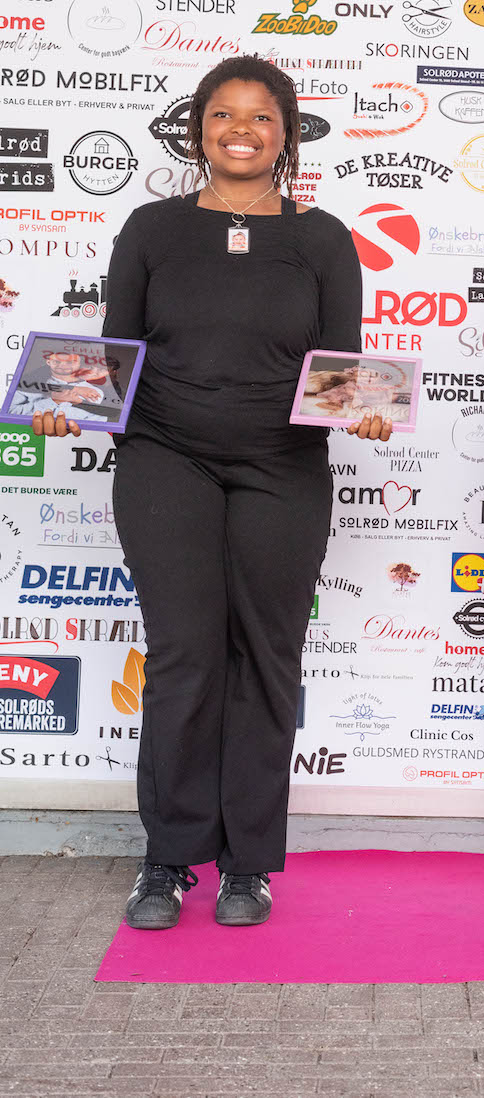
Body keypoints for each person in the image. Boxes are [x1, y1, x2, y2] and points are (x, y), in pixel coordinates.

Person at [34, 55, 392, 930]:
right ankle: (167, 860)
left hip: (284, 467)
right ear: (198, 129)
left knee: (265, 658)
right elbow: (113, 354)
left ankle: (249, 866)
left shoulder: (323, 238)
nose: (241, 129)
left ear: (287, 133)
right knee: (184, 656)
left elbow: (340, 367)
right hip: (166, 458)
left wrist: (366, 410)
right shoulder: (151, 228)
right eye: (224, 114)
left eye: (261, 116)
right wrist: (65, 405)